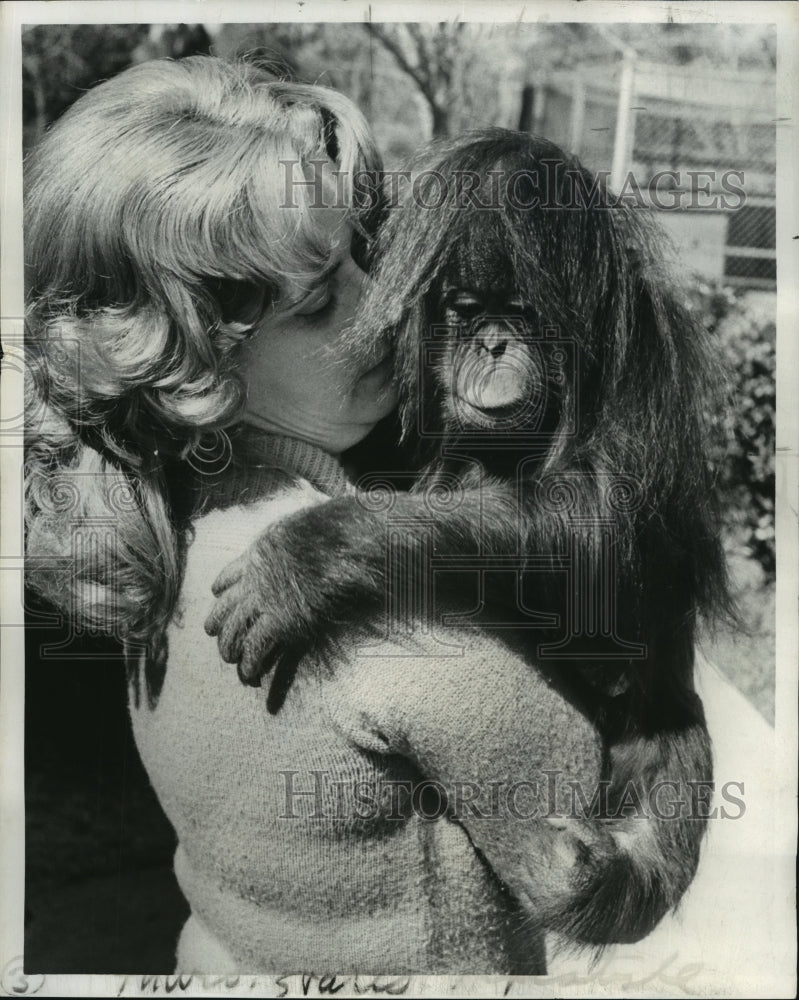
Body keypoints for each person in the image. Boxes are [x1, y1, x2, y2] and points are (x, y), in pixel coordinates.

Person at [23, 56, 606, 974]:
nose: (382, 307)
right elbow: (593, 873)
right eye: (319, 300)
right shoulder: (374, 610)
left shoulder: (150, 534)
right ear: (191, 366)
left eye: (357, 258)